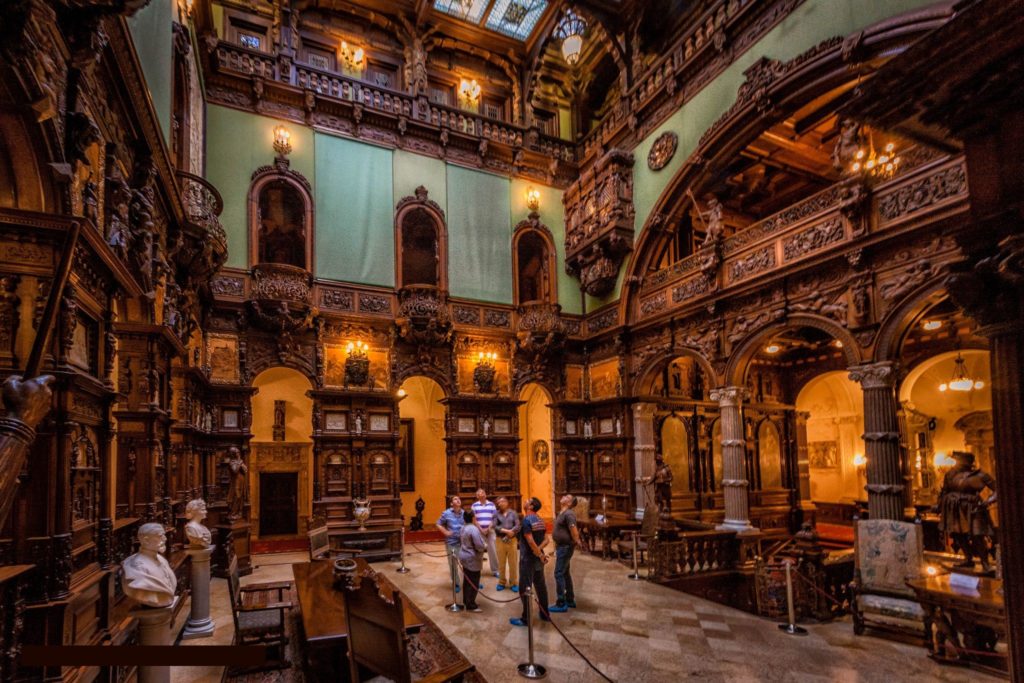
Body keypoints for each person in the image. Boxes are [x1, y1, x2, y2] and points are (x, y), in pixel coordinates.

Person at [935, 450, 997, 571]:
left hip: (973, 507)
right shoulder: (950, 475)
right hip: (954, 508)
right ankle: (968, 558)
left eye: (959, 461)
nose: (956, 464)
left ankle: (985, 563)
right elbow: (944, 492)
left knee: (977, 535)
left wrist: (988, 501)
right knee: (958, 535)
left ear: (967, 462)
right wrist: (939, 506)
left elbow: (997, 489)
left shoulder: (980, 475)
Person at [511, 497, 550, 627]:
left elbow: (530, 540)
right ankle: (545, 614)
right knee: (541, 586)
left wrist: (538, 553)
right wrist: (539, 552)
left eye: (528, 500)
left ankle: (526, 619)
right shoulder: (540, 519)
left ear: (531, 506)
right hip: (537, 558)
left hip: (527, 559)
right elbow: (547, 540)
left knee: (525, 588)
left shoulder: (527, 520)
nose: (525, 501)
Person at [550, 494, 582, 612]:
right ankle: (570, 599)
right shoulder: (562, 513)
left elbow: (573, 529)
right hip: (562, 547)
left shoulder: (569, 514)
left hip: (565, 547)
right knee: (565, 573)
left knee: (558, 573)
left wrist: (577, 541)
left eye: (567, 497)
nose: (563, 496)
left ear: (569, 503)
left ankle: (561, 603)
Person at [458, 509, 486, 612]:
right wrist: (484, 546)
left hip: (464, 555)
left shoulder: (463, 527)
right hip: (472, 558)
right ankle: (471, 605)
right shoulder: (473, 529)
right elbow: (479, 546)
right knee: (473, 581)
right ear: (473, 518)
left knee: (467, 580)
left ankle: (466, 601)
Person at [436, 495, 465, 592]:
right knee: (453, 565)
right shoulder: (446, 513)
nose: (458, 500)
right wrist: (445, 532)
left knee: (467, 563)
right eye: (455, 499)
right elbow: (438, 523)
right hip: (451, 543)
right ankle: (456, 583)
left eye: (459, 498)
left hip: (463, 543)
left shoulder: (464, 513)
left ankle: (470, 582)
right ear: (451, 503)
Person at [471, 488, 498, 582]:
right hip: (479, 531)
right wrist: (481, 530)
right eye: (478, 493)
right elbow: (474, 520)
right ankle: (477, 570)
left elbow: (494, 518)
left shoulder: (492, 505)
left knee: (493, 551)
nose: (481, 494)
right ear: (477, 496)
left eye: (482, 493)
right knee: (479, 551)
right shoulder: (474, 505)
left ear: (485, 494)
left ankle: (495, 570)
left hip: (490, 530)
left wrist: (488, 528)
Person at [493, 496, 520, 592]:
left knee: (513, 563)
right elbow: (495, 526)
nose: (501, 503)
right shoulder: (496, 514)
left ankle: (513, 583)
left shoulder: (513, 513)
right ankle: (501, 582)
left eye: (503, 501)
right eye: (499, 502)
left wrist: (511, 533)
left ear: (507, 503)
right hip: (500, 540)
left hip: (512, 540)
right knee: (501, 563)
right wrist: (506, 531)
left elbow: (517, 525)